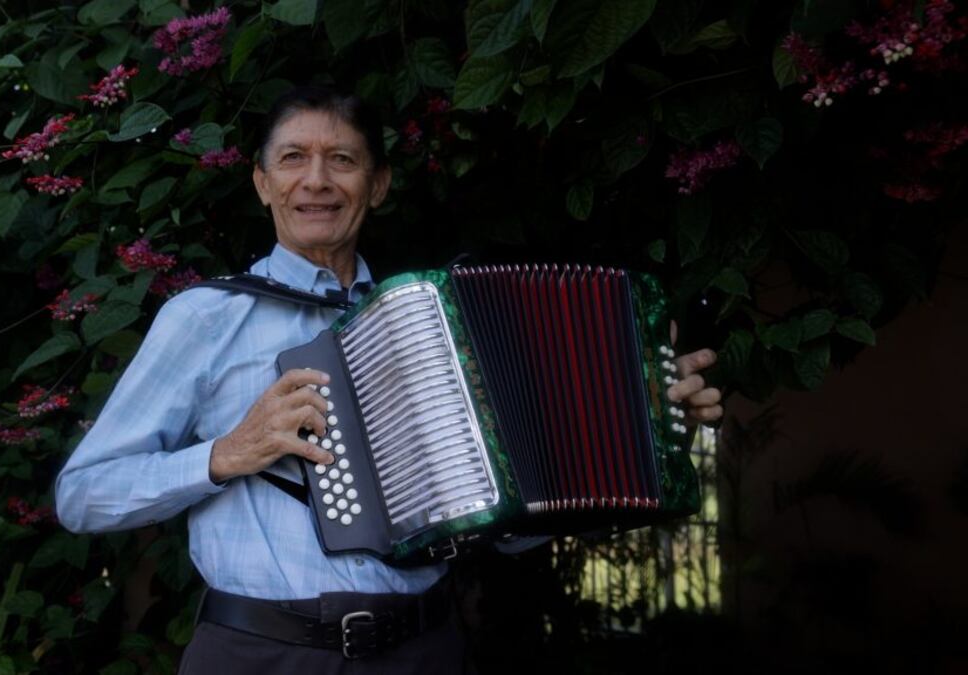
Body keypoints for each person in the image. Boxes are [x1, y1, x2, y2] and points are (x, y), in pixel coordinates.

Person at [54, 86, 724, 673]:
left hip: (425, 650)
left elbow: (506, 522)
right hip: (261, 654)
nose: (315, 180)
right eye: (292, 158)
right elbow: (83, 495)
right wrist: (226, 453)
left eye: (341, 160)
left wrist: (646, 434)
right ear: (262, 183)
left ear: (377, 184)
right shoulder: (206, 317)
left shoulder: (431, 320)